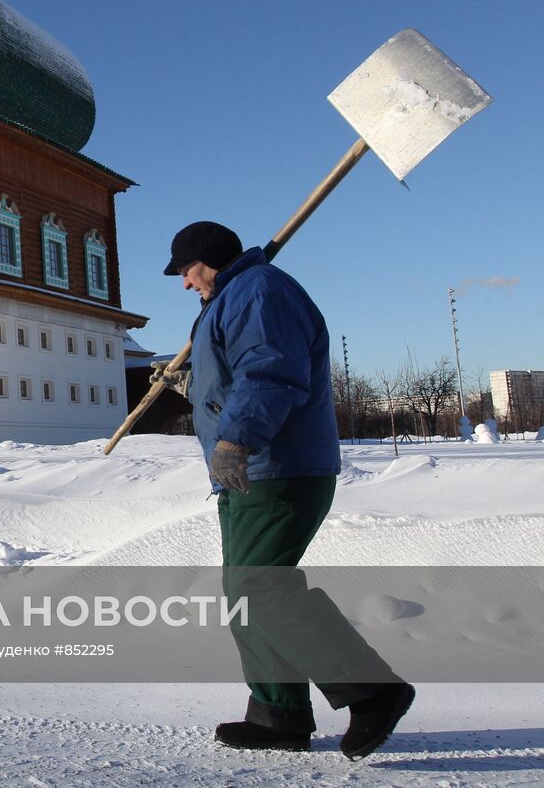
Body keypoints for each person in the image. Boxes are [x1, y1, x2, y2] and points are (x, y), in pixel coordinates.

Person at [154, 221, 415, 760]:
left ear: (208, 259)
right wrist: (190, 383)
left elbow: (271, 373)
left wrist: (237, 440)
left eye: (186, 269)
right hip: (250, 469)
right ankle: (279, 715)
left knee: (260, 590)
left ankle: (373, 691)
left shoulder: (258, 291)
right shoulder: (234, 297)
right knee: (247, 595)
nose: (184, 283)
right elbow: (237, 374)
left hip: (277, 466)